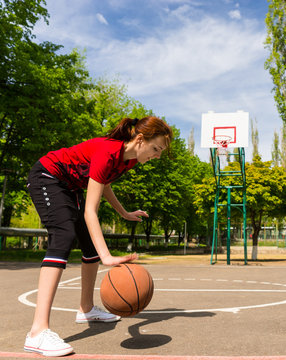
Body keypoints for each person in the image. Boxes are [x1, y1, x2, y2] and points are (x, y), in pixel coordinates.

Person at [23, 116, 173, 356]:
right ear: (140, 140)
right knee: (64, 235)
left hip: (69, 186)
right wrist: (108, 256)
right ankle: (37, 332)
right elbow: (91, 212)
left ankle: (86, 309)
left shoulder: (129, 160)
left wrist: (123, 212)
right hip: (47, 177)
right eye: (156, 149)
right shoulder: (107, 151)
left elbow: (103, 183)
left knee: (89, 246)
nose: (157, 156)